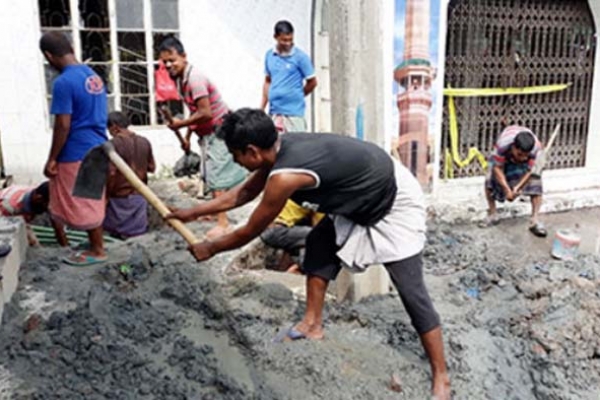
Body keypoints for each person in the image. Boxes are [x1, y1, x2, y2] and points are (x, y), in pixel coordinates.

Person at [168, 108, 451, 399]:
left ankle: (441, 376)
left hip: (391, 200)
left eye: (235, 155)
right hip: (358, 195)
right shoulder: (276, 150)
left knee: (411, 289)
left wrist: (211, 248)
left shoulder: (285, 176)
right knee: (319, 243)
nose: (236, 162)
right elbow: (242, 194)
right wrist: (190, 212)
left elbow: (250, 230)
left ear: (251, 151)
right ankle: (312, 324)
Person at [158, 37, 246, 239]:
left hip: (219, 130)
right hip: (207, 132)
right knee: (210, 175)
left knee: (218, 178)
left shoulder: (195, 79)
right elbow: (194, 111)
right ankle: (217, 214)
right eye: (165, 62)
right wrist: (188, 135)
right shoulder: (181, 79)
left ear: (183, 57)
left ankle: (223, 224)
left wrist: (180, 125)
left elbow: (205, 113)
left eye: (172, 60)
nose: (169, 65)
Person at [39, 32, 108, 266]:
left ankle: (98, 250)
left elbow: (63, 124)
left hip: (76, 151)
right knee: (92, 198)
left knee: (80, 201)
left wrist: (52, 159)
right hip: (99, 147)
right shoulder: (94, 76)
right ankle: (98, 247)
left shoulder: (63, 82)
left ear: (49, 56)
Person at [482, 125, 546, 237]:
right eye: (520, 154)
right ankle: (493, 214)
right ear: (513, 147)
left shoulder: (536, 148)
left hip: (530, 158)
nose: (522, 158)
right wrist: (507, 190)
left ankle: (534, 221)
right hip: (505, 155)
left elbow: (530, 171)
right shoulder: (502, 146)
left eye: (526, 156)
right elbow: (498, 168)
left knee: (536, 182)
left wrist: (517, 188)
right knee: (490, 178)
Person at [103, 111, 155, 239]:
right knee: (138, 237)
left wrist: (106, 197)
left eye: (109, 130)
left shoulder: (112, 145)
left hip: (119, 201)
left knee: (113, 237)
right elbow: (152, 168)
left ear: (114, 127)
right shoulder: (145, 142)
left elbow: (111, 173)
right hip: (139, 199)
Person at [261, 20, 317, 133]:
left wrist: (297, 94)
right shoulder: (269, 55)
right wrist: (262, 107)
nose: (288, 43)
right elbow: (268, 81)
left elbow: (312, 82)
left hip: (293, 114)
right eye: (284, 40)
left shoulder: (300, 57)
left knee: (295, 146)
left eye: (290, 40)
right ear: (275, 37)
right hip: (275, 113)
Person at [260, 199, 323, 274]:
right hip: (274, 230)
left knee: (313, 241)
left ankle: (301, 268)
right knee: (319, 236)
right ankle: (303, 268)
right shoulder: (322, 199)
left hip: (275, 228)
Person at [0, 182, 67, 247]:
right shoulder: (10, 208)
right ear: (39, 199)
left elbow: (59, 229)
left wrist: (67, 249)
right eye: (48, 206)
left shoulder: (41, 193)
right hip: (5, 212)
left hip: (19, 201)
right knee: (33, 245)